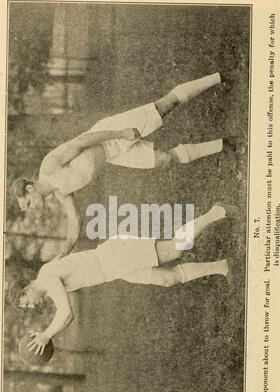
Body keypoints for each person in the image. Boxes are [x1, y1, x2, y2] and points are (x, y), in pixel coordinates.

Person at [13, 72, 227, 257]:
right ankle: (223, 145)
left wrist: (121, 133)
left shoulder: (48, 167)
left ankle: (218, 78)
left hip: (110, 134)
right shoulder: (61, 192)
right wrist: (64, 251)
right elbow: (75, 222)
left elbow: (81, 142)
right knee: (164, 160)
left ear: (30, 188)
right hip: (113, 155)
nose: (32, 208)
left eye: (28, 203)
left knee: (166, 104)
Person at [9, 202, 237, 356]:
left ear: (27, 288)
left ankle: (217, 211)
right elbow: (66, 315)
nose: (32, 305)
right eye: (27, 307)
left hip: (114, 256)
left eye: (27, 301)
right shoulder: (47, 280)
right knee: (168, 279)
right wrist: (48, 335)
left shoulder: (47, 278)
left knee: (174, 250)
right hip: (114, 267)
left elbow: (67, 313)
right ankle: (222, 267)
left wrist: (46, 335)